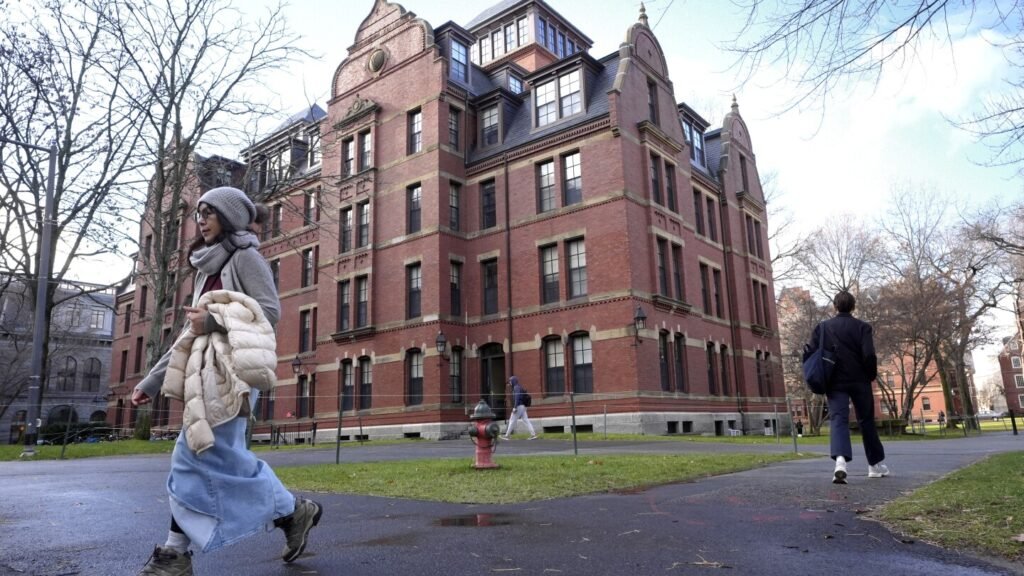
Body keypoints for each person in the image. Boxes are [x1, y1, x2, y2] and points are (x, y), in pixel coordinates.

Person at [132, 187, 322, 575]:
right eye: (198, 213)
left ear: (228, 217)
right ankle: (292, 512)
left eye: (209, 213)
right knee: (216, 457)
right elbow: (190, 333)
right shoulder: (206, 267)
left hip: (235, 374)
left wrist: (215, 320)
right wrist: (151, 381)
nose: (200, 220)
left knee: (192, 453)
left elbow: (269, 311)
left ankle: (175, 554)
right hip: (204, 374)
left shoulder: (246, 257)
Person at [803, 290, 889, 484]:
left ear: (835, 306)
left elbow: (813, 353)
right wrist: (870, 375)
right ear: (853, 306)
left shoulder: (823, 328)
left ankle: (840, 462)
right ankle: (874, 465)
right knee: (866, 420)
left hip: (834, 381)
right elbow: (869, 355)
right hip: (860, 380)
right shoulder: (863, 327)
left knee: (838, 419)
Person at [503, 375, 537, 440]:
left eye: (510, 381)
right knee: (526, 420)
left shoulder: (516, 388)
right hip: (523, 406)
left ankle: (507, 436)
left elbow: (517, 397)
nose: (510, 383)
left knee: (512, 420)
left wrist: (515, 407)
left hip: (518, 406)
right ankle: (533, 435)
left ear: (513, 381)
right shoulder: (519, 387)